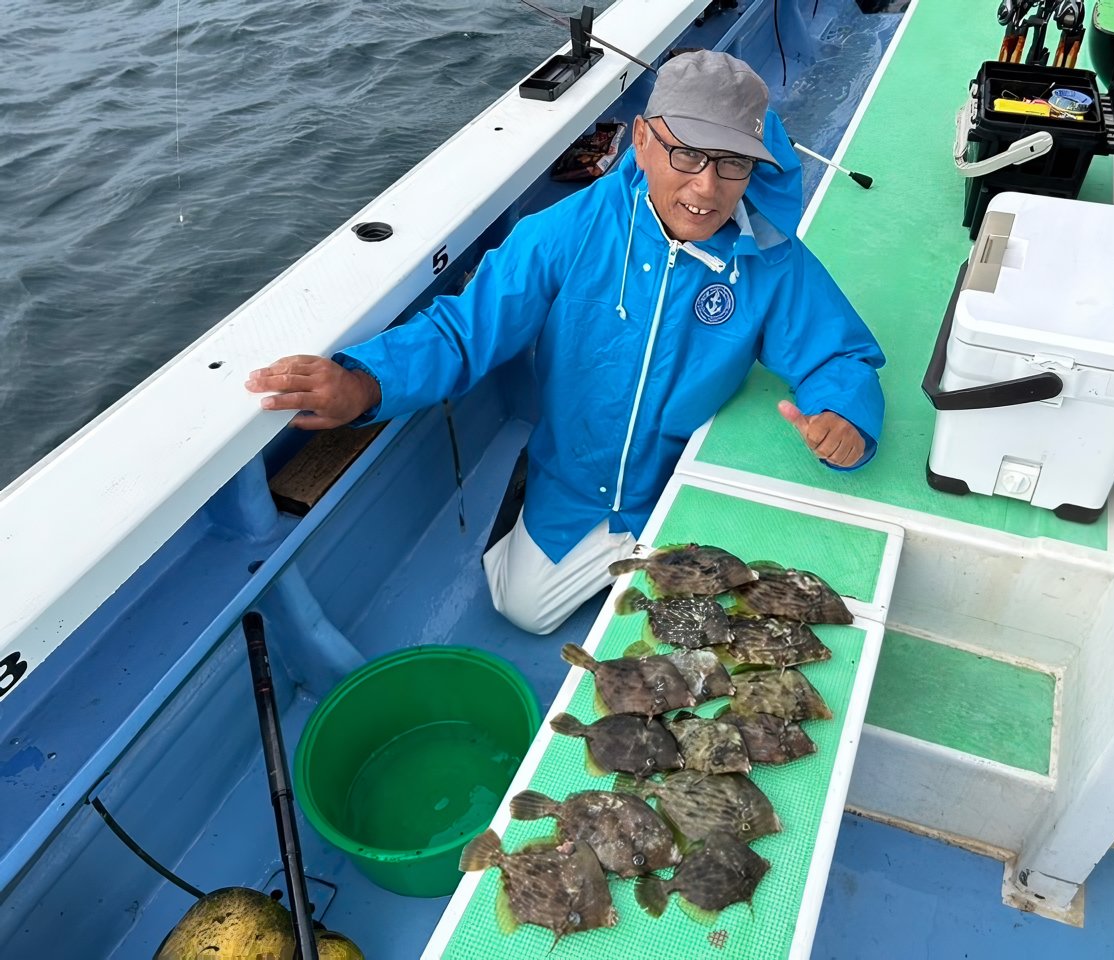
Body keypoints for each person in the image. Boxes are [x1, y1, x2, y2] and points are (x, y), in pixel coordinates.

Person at [246, 50, 885, 635]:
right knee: (522, 609)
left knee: (719, 630)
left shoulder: (769, 255)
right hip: (578, 475)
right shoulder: (563, 232)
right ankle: (531, 494)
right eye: (685, 154)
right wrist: (365, 383)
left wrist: (844, 415)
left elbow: (840, 352)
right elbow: (465, 329)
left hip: (686, 479)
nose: (706, 187)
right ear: (641, 140)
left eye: (733, 163)